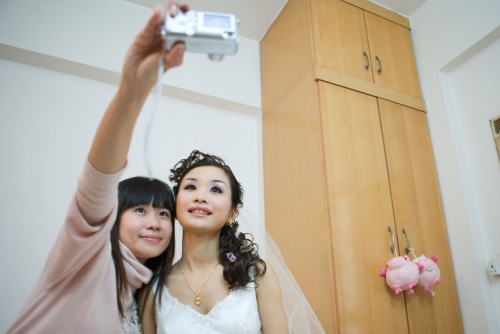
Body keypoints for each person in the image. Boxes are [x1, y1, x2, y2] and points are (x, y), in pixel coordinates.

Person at [6, 4, 187, 333]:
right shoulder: (86, 259)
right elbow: (96, 184)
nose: (155, 223)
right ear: (115, 215)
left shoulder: (145, 295)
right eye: (140, 209)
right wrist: (133, 90)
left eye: (164, 214)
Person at [140, 150, 289, 333]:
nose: (200, 197)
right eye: (190, 187)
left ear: (232, 213)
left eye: (216, 190)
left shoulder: (256, 274)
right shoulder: (154, 290)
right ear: (176, 203)